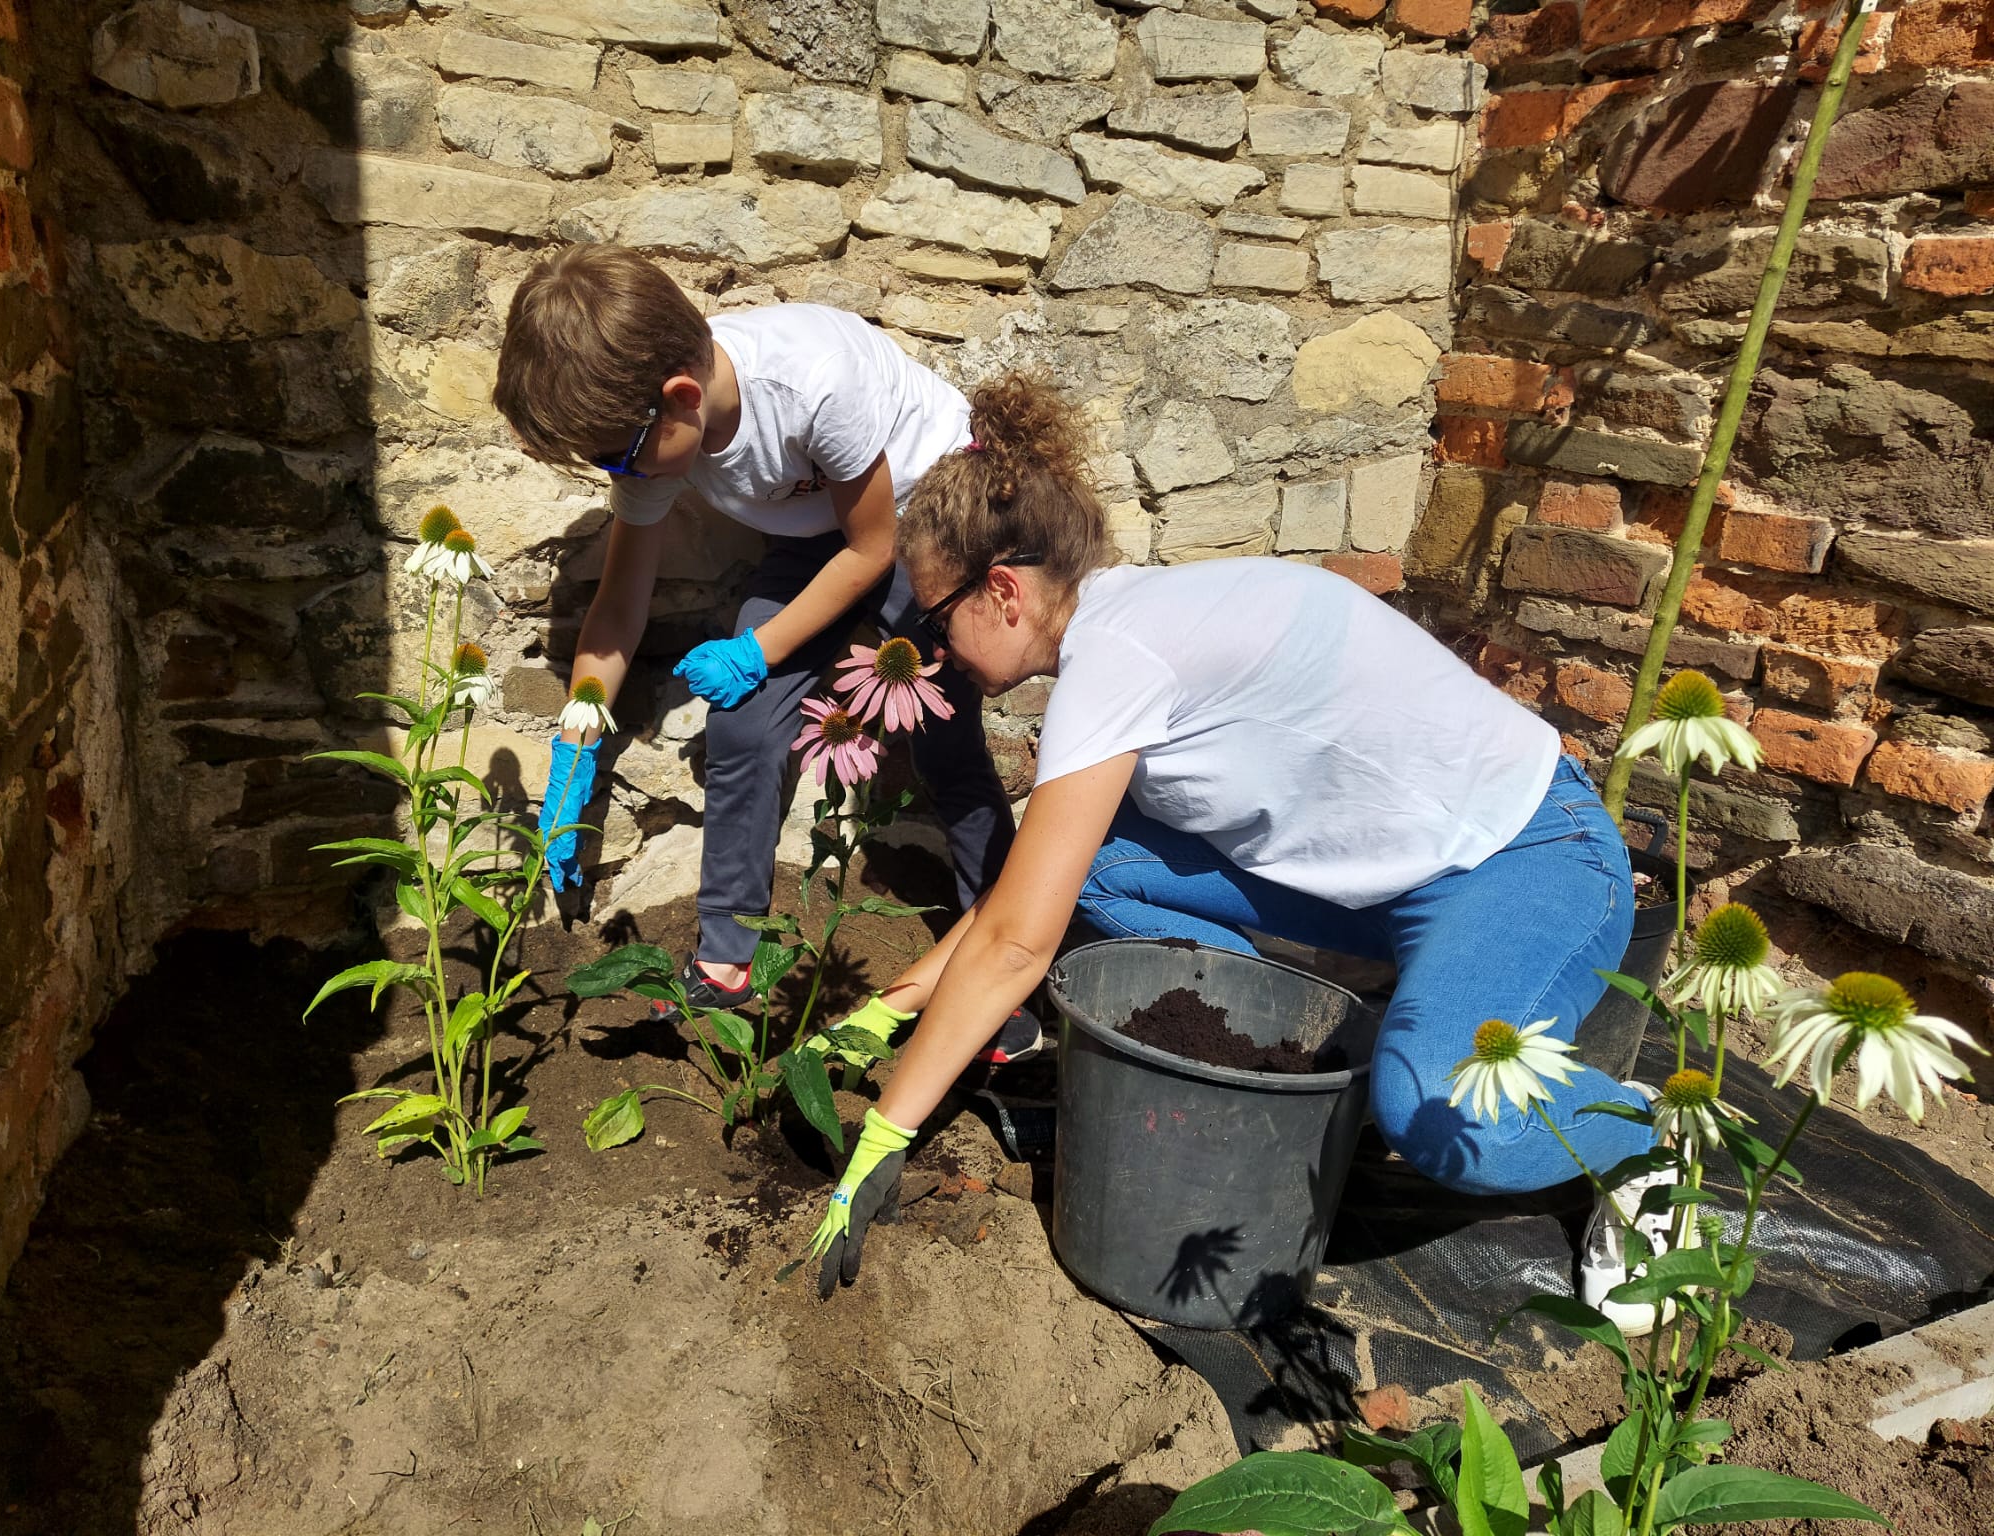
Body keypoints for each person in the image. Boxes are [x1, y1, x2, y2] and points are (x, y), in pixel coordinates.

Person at [806, 375, 1665, 1331]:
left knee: (1442, 1117)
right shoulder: (1122, 628)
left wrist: (888, 1131)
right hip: (1384, 885)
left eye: (934, 623)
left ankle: (1636, 1132)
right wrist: (891, 1008)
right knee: (1097, 868)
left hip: (1528, 859)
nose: (932, 654)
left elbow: (1016, 943)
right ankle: (1344, 1039)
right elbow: (1034, 890)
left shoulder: (1121, 662)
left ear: (1002, 591)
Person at [492, 247, 1035, 1058]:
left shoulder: (814, 384)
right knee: (743, 726)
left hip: (931, 516)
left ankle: (1003, 979)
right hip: (827, 533)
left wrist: (756, 648)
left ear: (678, 402)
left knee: (944, 742)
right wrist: (577, 738)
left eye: (615, 457)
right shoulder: (655, 425)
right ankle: (725, 962)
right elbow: (620, 601)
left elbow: (875, 548)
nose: (616, 475)